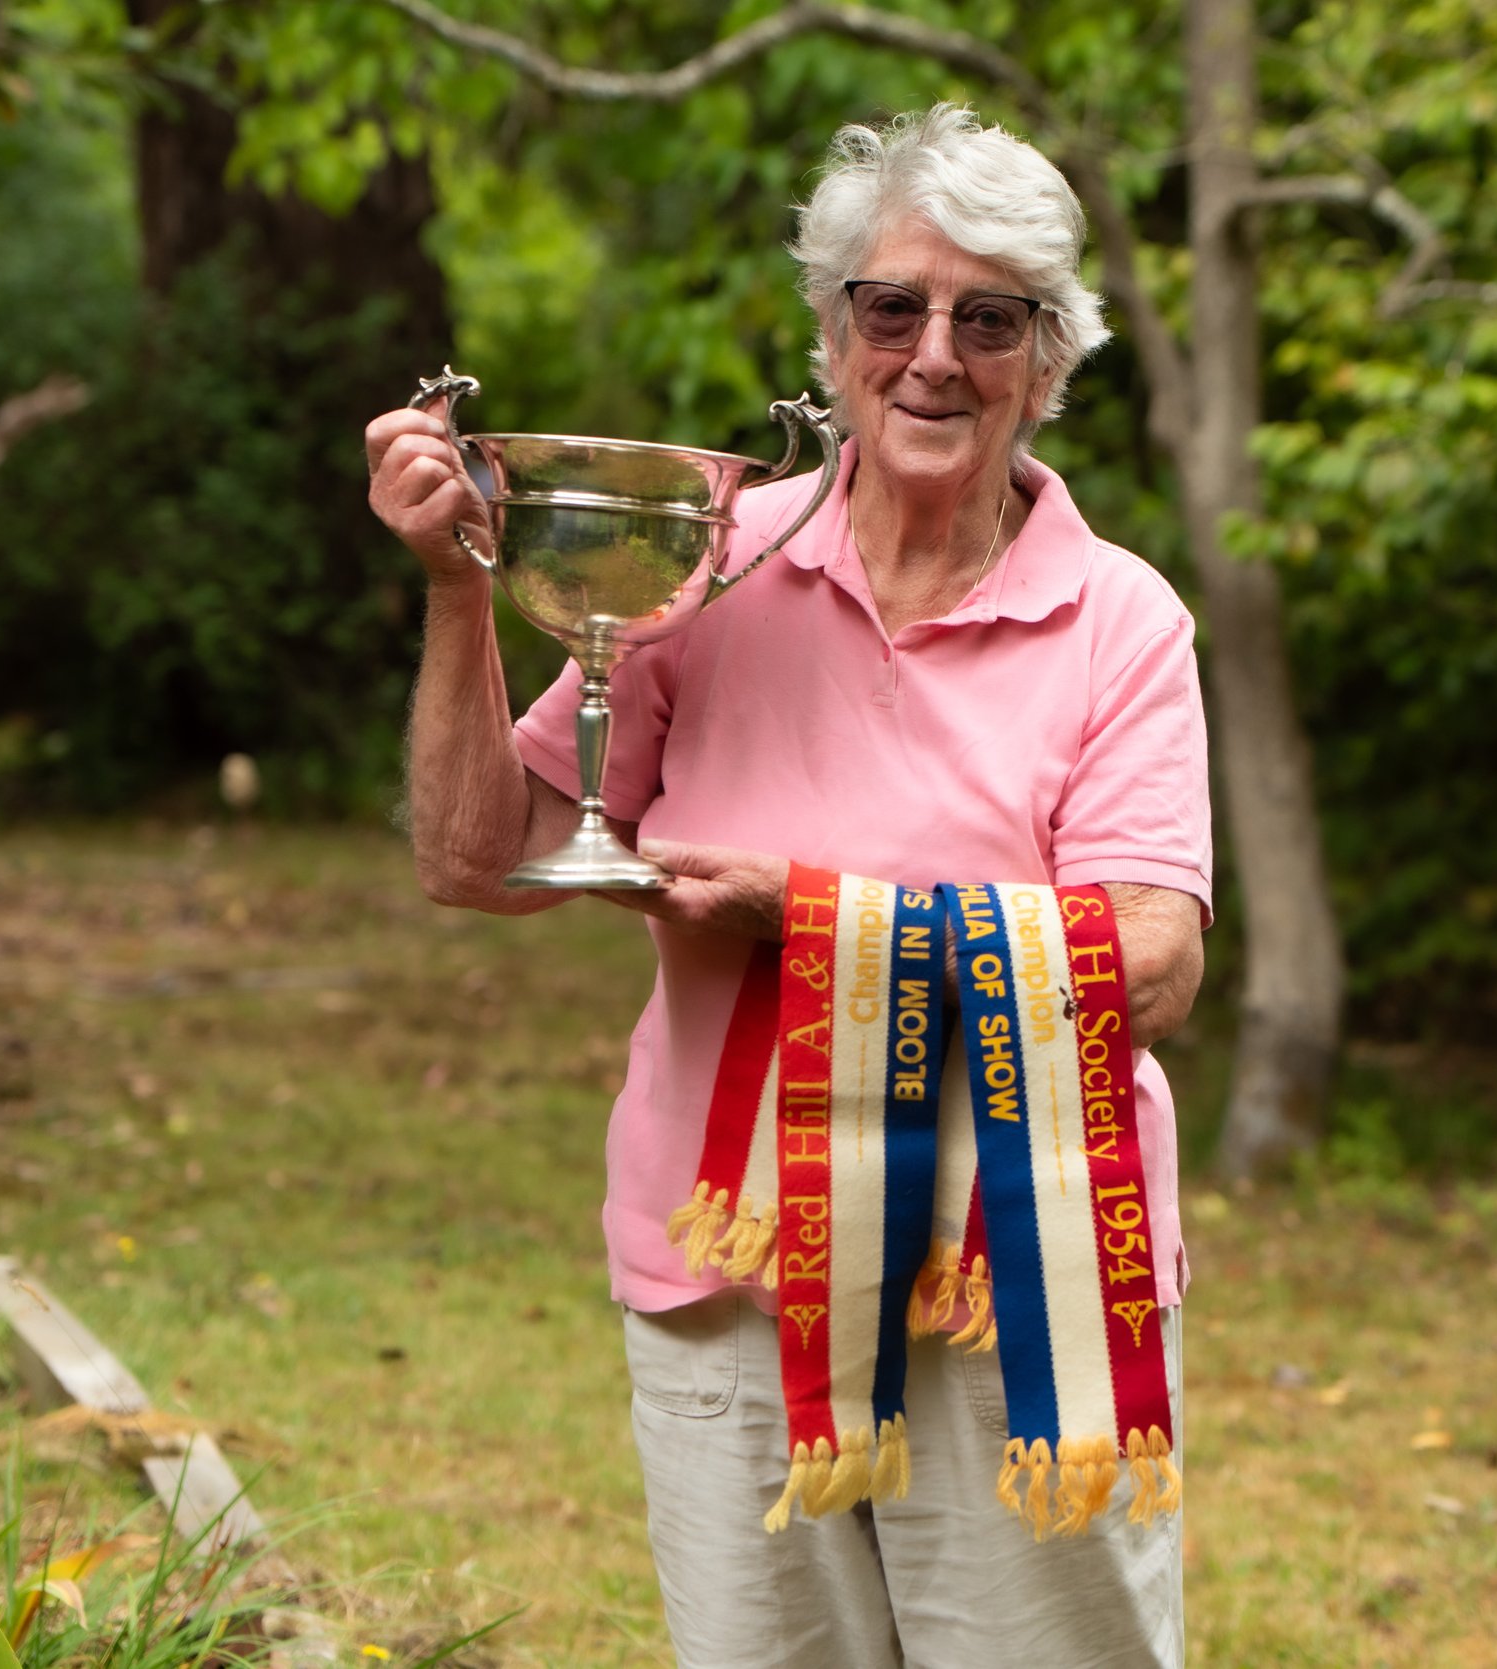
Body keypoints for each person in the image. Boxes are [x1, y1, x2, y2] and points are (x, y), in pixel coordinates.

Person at [364, 105, 1210, 1669]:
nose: (935, 354)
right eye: (893, 306)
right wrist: (452, 592)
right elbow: (472, 858)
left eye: (991, 316)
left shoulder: (1122, 622)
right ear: (834, 340)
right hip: (728, 1271)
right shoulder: (710, 559)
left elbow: (1152, 969)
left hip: (1011, 1281)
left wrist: (811, 914)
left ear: (1051, 356)